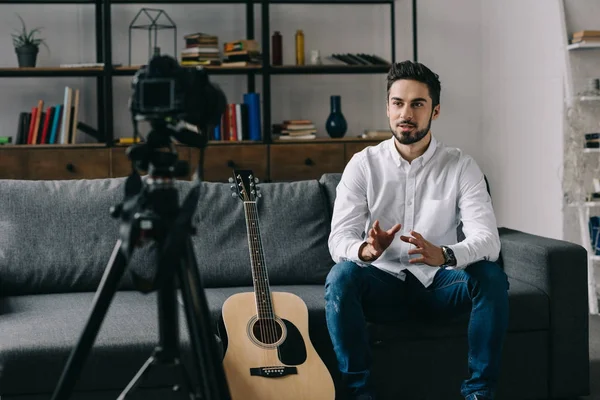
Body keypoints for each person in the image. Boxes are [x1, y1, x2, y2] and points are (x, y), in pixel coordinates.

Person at [325, 60, 509, 400]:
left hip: (440, 284)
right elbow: (339, 239)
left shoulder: (461, 167)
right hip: (382, 285)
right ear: (388, 107)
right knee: (341, 276)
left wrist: (446, 254)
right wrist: (366, 251)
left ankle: (479, 393)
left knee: (491, 277)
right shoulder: (363, 165)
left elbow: (488, 240)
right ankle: (359, 394)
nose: (405, 113)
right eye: (397, 103)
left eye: (417, 104)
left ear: (435, 111)